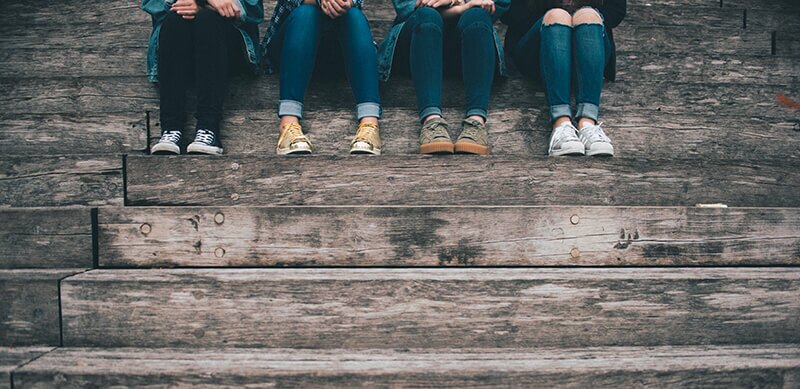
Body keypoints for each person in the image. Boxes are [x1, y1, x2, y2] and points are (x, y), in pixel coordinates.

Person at [378, 0, 509, 155]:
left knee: (477, 15)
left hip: (466, 41)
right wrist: (458, 7)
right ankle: (431, 120)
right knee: (426, 15)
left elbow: (498, 4)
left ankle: (476, 121)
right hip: (417, 41)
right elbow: (407, 7)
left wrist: (459, 4)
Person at [503, 0, 626, 156]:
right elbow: (509, 13)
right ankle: (561, 125)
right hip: (538, 49)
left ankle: (588, 124)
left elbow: (616, 11)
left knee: (588, 14)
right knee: (558, 15)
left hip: (589, 47)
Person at [262, 0, 383, 155]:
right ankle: (288, 124)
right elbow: (290, 4)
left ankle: (369, 124)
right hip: (293, 46)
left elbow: (355, 3)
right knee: (306, 13)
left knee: (354, 15)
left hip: (337, 51)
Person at [144, 0, 264, 155]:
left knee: (207, 19)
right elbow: (152, 3)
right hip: (179, 39)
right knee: (176, 18)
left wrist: (205, 6)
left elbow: (254, 11)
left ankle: (208, 128)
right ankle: (171, 128)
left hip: (225, 44)